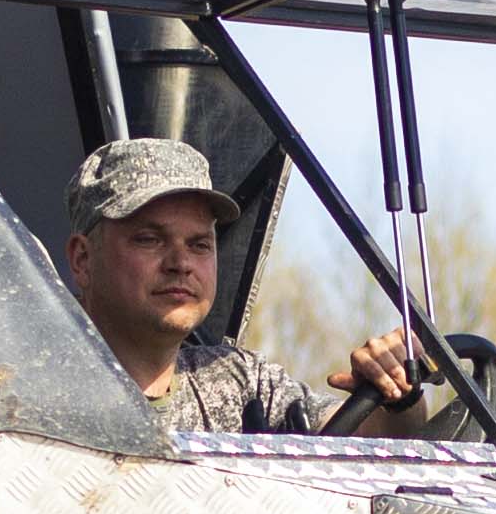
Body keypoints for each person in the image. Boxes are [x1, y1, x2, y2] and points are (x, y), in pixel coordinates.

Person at [56, 138, 461, 441]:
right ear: (82, 260)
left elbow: (367, 440)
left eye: (199, 244)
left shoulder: (237, 380)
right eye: (149, 239)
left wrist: (397, 394)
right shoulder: (24, 383)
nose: (181, 263)